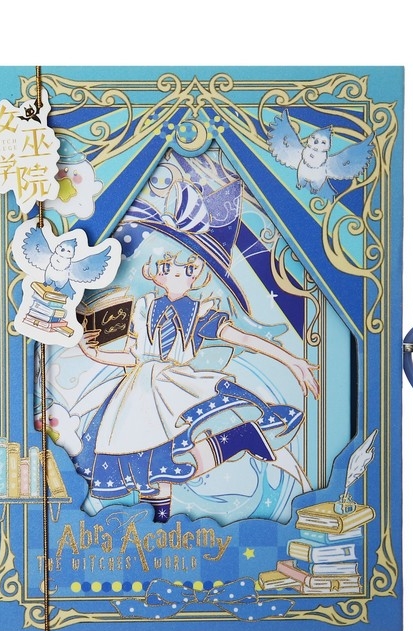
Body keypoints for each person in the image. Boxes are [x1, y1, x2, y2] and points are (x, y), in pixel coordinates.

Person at [74, 180, 318, 522]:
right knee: (150, 465)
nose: (176, 275)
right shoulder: (143, 307)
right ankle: (156, 527)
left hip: (177, 386)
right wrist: (95, 354)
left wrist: (290, 359)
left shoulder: (201, 312)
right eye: (167, 269)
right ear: (155, 273)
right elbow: (134, 356)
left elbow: (242, 338)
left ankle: (240, 439)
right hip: (137, 394)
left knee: (172, 456)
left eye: (186, 270)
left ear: (197, 275)